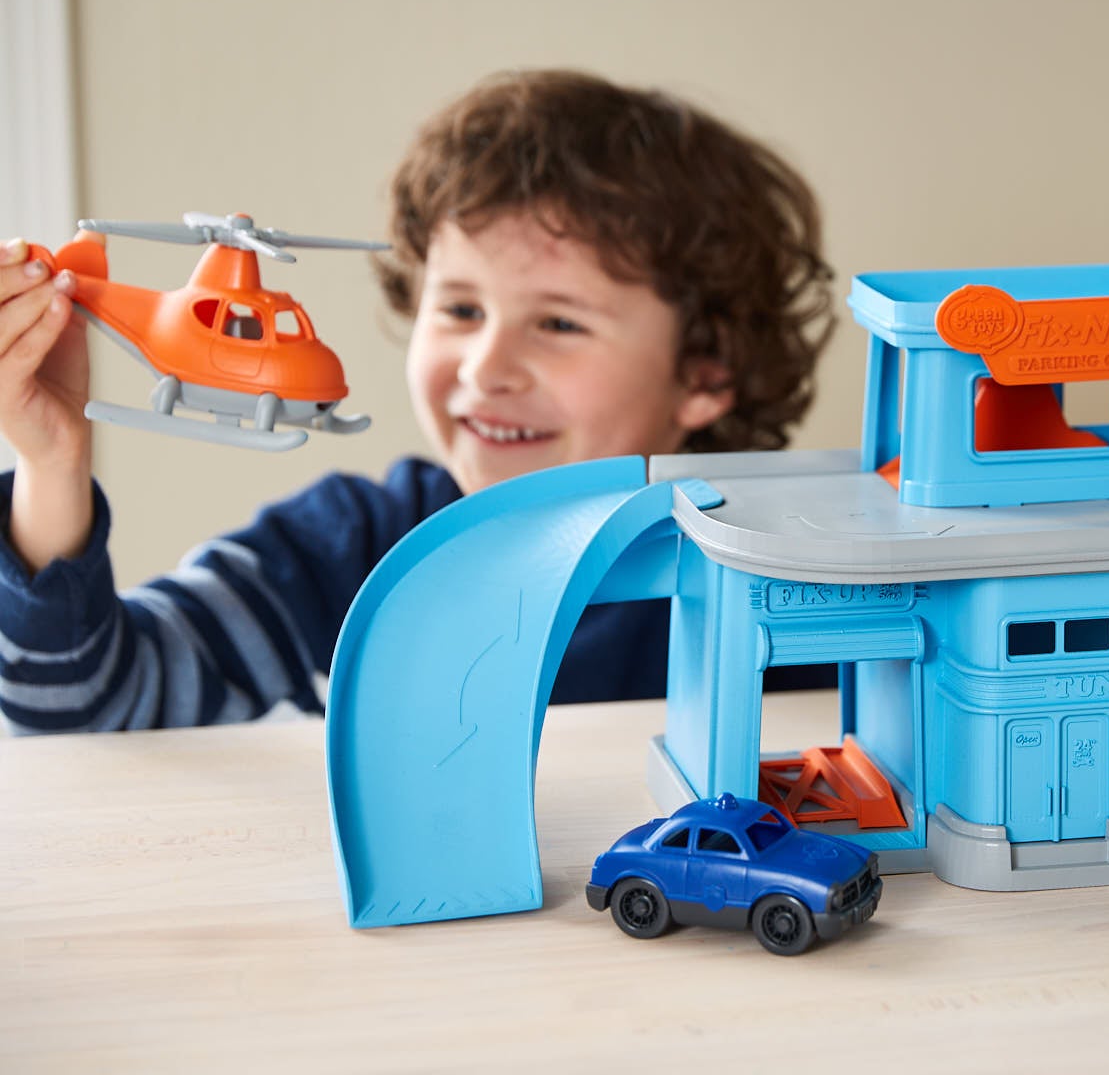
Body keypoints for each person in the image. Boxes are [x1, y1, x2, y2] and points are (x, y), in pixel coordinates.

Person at [0, 69, 836, 732]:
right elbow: (89, 707)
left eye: (557, 322)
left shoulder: (795, 584)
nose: (485, 367)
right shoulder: (345, 551)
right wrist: (52, 464)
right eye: (462, 310)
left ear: (704, 375)